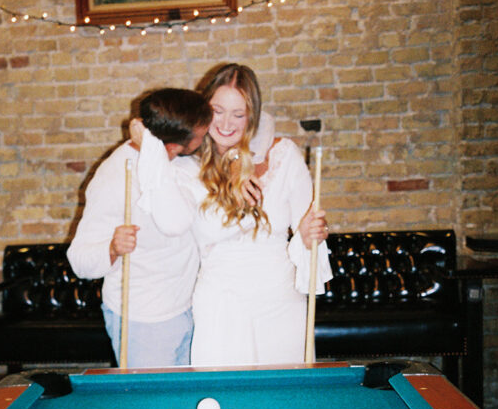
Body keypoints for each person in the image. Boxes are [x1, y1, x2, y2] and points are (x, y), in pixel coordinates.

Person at [132, 63, 331, 366]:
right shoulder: (186, 169)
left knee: (284, 399)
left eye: (239, 114)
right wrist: (148, 144)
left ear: (252, 116)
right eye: (218, 111)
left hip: (280, 299)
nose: (226, 124)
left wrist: (309, 233)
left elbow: (306, 228)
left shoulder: (283, 155)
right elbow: (171, 223)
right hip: (221, 303)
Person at [67, 88, 211, 367]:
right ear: (177, 143)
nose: (207, 136)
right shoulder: (115, 176)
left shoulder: (181, 164)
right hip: (142, 322)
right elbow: (79, 260)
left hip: (188, 310)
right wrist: (111, 248)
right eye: (202, 133)